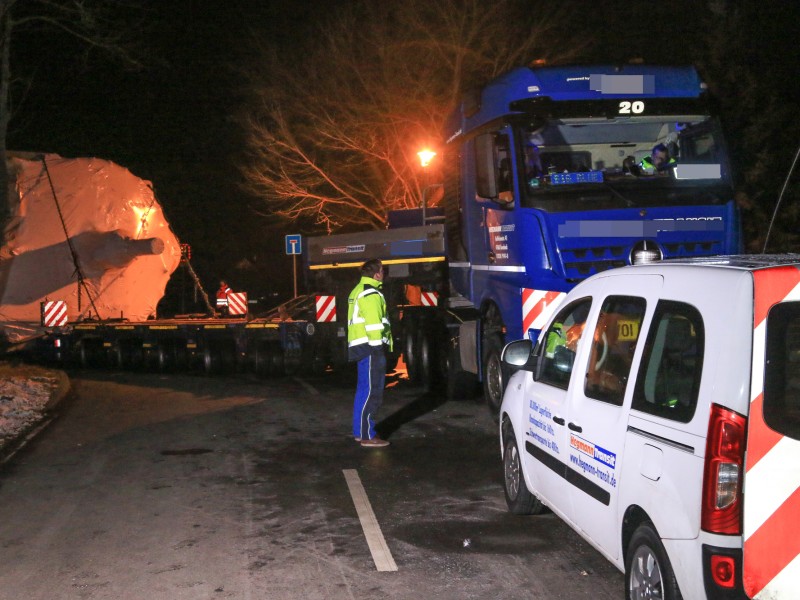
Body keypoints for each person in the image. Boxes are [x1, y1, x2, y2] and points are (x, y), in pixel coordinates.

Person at [347, 259, 393, 448]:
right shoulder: (371, 293)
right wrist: (377, 348)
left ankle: (361, 432)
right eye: (382, 271)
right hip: (370, 348)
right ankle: (367, 435)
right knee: (372, 392)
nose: (384, 273)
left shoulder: (359, 290)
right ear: (376, 274)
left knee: (364, 391)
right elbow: (374, 325)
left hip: (362, 346)